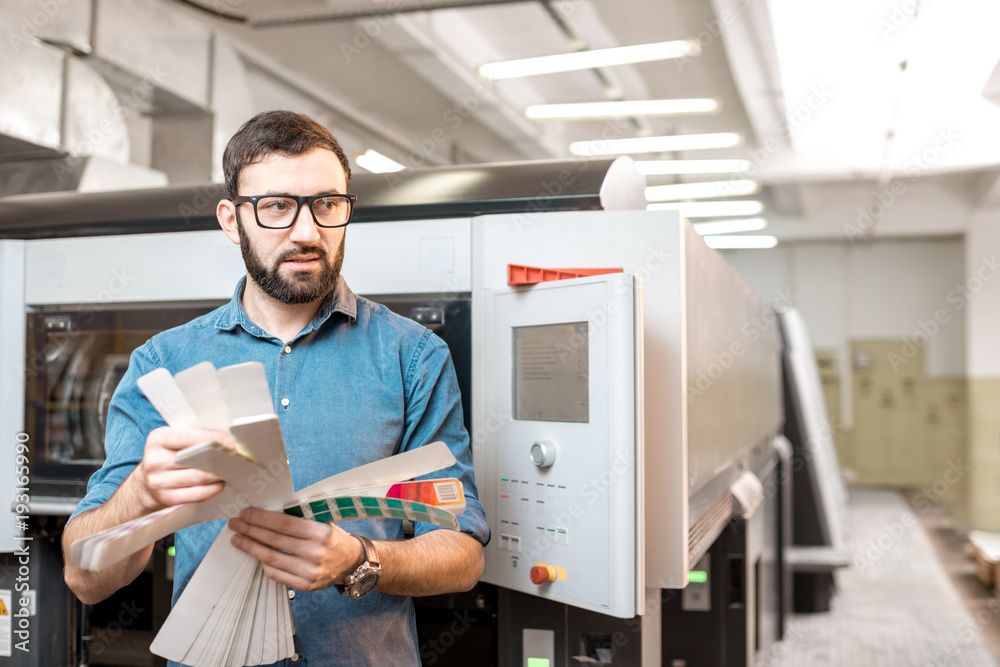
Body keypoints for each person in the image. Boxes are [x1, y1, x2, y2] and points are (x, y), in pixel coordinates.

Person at [62, 110, 490, 666]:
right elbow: (85, 579)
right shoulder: (164, 362)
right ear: (231, 219)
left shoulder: (413, 356)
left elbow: (461, 553)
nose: (307, 232)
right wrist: (142, 495)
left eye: (327, 205)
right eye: (277, 207)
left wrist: (361, 560)